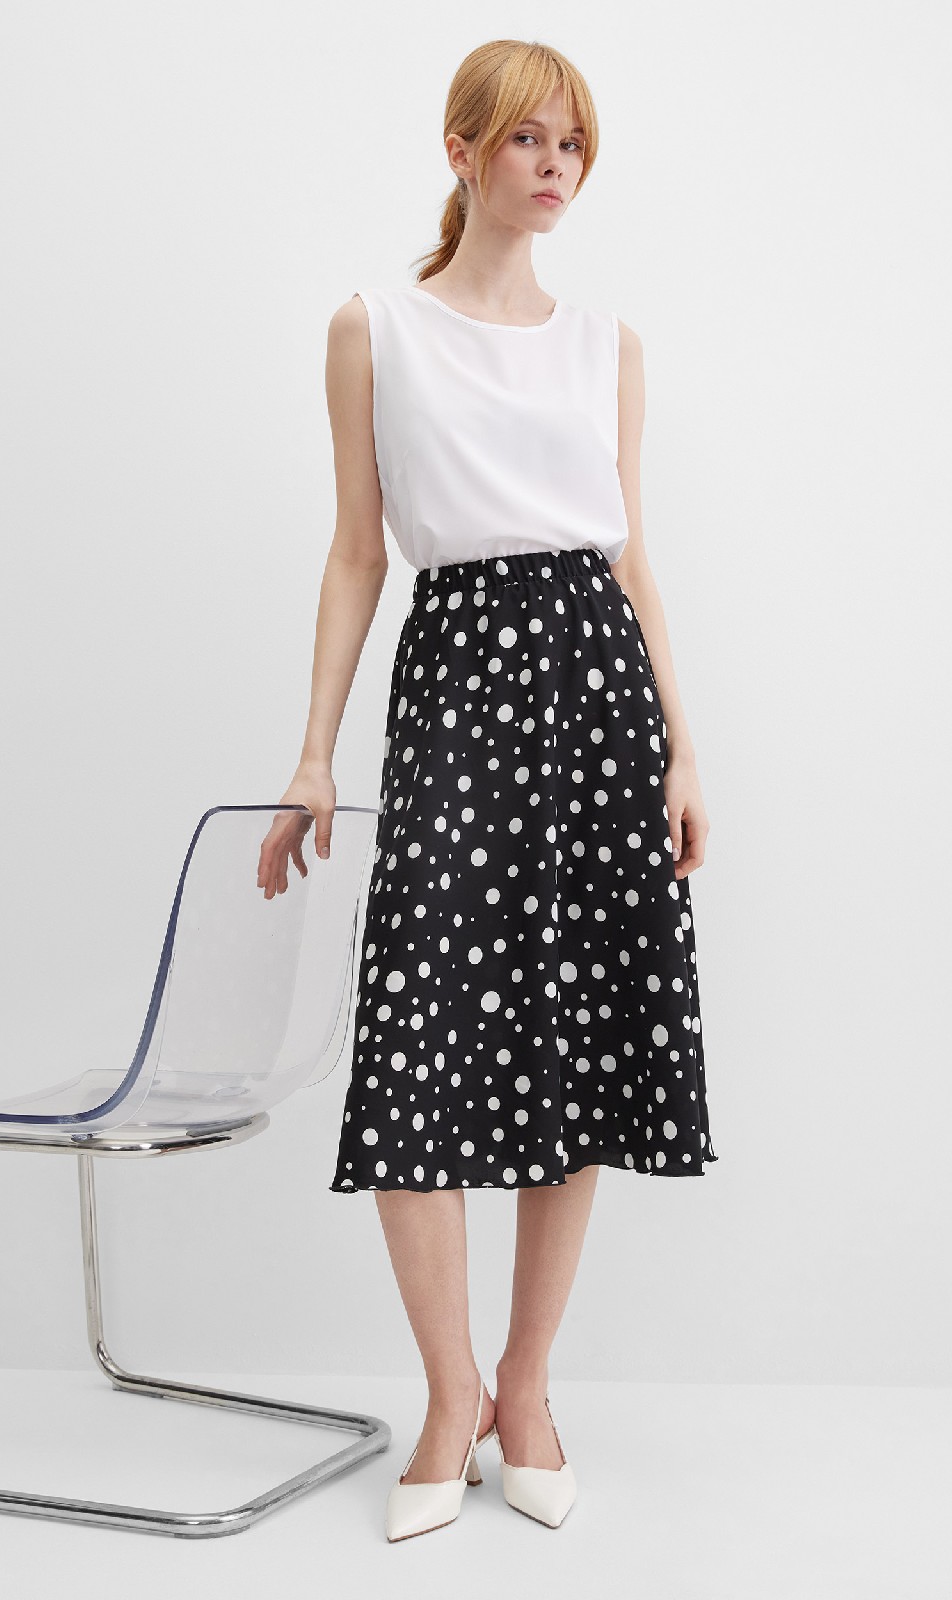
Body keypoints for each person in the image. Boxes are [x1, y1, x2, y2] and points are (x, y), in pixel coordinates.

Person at [256, 38, 718, 1542]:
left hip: (596, 690)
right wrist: (316, 752)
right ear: (460, 151)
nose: (555, 165)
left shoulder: (608, 345)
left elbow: (631, 558)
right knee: (423, 1030)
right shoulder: (373, 328)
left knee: (576, 1030)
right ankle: (448, 1393)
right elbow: (356, 552)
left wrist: (683, 744)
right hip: (458, 675)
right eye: (526, 139)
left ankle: (527, 1384)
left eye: (572, 143)